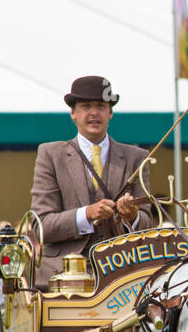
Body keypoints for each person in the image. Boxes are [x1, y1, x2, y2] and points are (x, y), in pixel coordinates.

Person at [30, 75, 154, 285]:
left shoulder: (137, 157)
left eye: (101, 106)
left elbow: (147, 223)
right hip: (63, 275)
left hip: (121, 274)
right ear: (73, 113)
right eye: (86, 106)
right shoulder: (51, 154)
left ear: (110, 112)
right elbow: (41, 226)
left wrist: (131, 217)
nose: (94, 113)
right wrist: (86, 214)